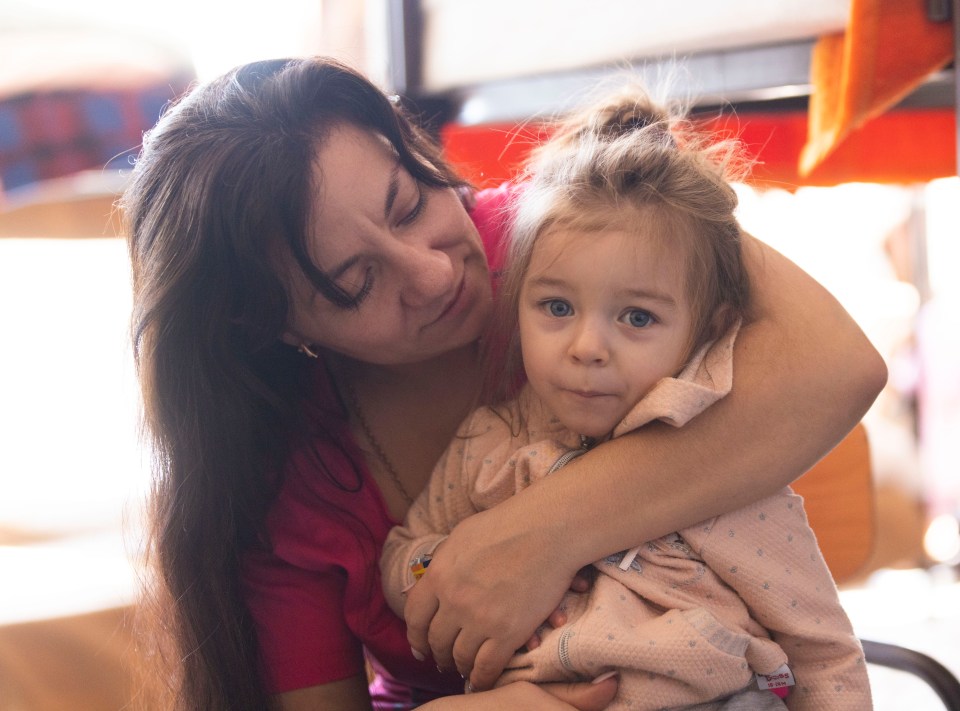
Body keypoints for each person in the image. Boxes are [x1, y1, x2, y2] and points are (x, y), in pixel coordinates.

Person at [121, 56, 885, 711]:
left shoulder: (574, 238)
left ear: (412, 145)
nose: (431, 270)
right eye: (355, 282)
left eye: (410, 202)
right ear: (278, 330)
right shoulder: (285, 487)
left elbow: (839, 365)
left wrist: (540, 534)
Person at [381, 86, 872, 710]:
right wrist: (446, 565)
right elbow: (404, 557)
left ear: (709, 329)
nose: (587, 347)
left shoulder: (731, 478)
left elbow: (823, 649)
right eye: (556, 307)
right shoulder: (488, 442)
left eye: (637, 318)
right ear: (517, 302)